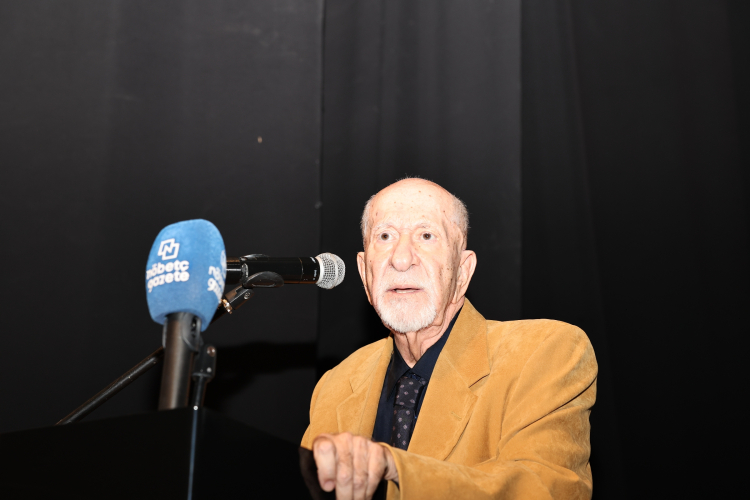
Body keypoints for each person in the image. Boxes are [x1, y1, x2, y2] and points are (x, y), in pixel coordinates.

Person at [301, 178, 596, 500]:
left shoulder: (545, 352)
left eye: (426, 235)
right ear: (364, 273)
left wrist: (396, 468)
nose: (401, 259)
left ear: (463, 271)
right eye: (385, 236)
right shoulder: (336, 385)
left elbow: (546, 489)